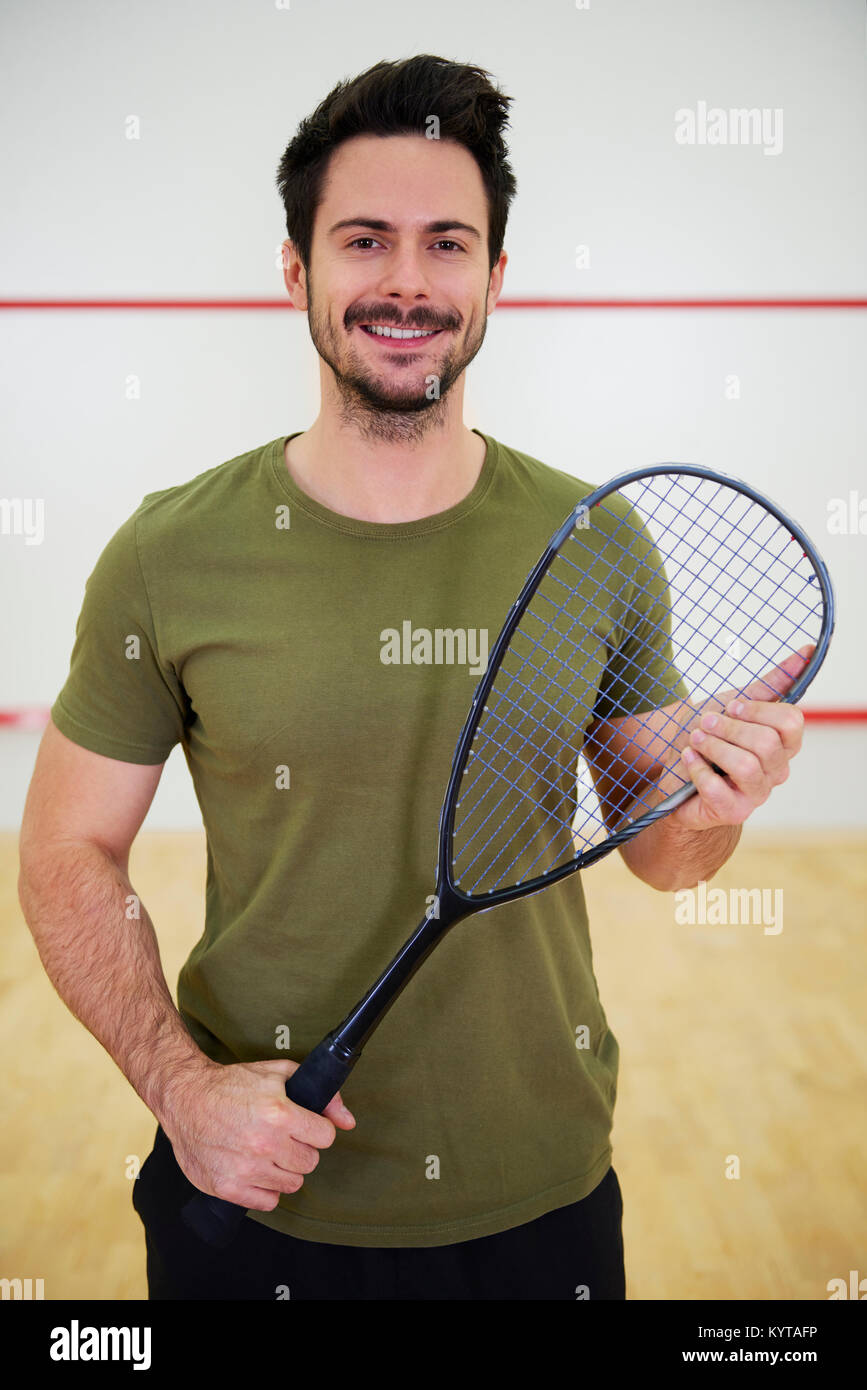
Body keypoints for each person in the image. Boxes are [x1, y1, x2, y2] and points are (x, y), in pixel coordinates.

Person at [18, 54, 806, 1301]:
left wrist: (714, 807)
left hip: (540, 1200)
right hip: (252, 1195)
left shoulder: (600, 539)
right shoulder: (167, 553)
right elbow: (66, 853)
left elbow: (662, 856)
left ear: (495, 278)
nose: (406, 282)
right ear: (296, 270)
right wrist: (180, 1087)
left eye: (447, 243)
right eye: (364, 239)